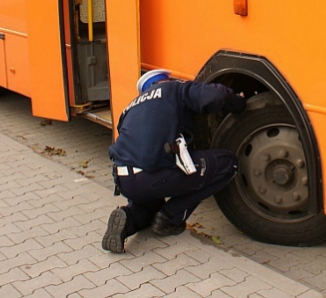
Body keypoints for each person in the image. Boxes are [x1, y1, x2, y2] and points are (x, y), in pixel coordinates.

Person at [101, 69, 247, 254]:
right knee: (227, 163)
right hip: (154, 176)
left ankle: (128, 217)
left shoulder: (129, 108)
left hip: (124, 180)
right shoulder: (173, 89)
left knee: (148, 207)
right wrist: (238, 102)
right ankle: (170, 217)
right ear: (164, 80)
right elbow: (216, 95)